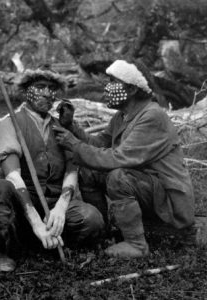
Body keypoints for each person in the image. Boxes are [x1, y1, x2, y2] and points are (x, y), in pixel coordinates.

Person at [53, 59, 195, 259]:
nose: (107, 87)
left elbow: (117, 159)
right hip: (147, 188)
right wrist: (72, 127)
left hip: (169, 200)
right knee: (88, 171)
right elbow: (99, 144)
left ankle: (137, 245)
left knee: (118, 177)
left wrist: (73, 144)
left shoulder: (152, 116)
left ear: (132, 89)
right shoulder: (123, 116)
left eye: (113, 81)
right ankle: (103, 232)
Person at [0, 65, 105, 272]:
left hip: (54, 201)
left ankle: (47, 240)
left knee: (92, 220)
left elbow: (71, 170)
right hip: (23, 204)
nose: (47, 93)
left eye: (52, 88)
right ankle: (7, 250)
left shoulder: (61, 127)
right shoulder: (11, 123)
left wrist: (61, 207)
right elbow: (13, 176)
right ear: (26, 90)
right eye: (40, 86)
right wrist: (35, 220)